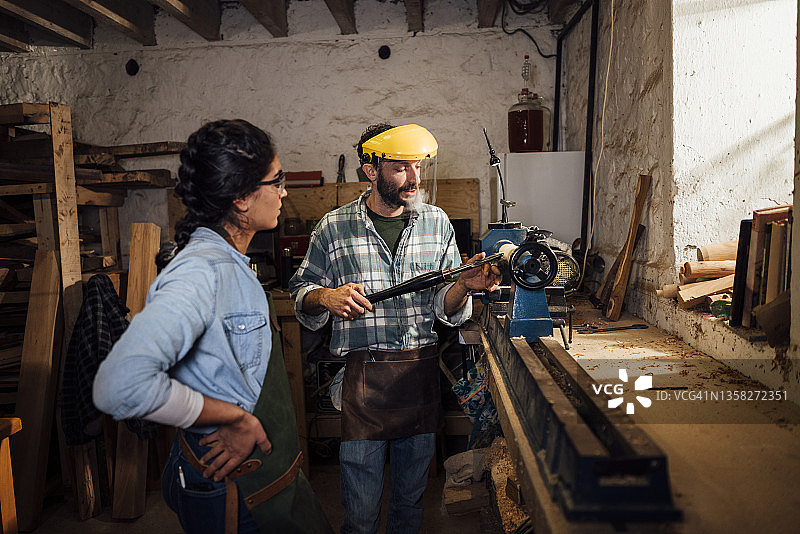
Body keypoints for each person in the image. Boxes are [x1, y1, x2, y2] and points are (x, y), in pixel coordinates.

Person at [93, 119, 332, 534]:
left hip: (266, 483)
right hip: (237, 492)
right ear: (241, 197)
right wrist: (233, 418)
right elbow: (119, 384)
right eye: (277, 181)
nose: (285, 192)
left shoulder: (229, 261)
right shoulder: (202, 271)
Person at [289, 123, 502, 533]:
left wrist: (462, 286)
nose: (415, 178)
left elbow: (443, 307)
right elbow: (301, 291)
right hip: (364, 384)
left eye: (418, 167)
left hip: (418, 379)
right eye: (402, 168)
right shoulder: (334, 228)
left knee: (409, 510)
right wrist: (325, 297)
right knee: (362, 515)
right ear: (371, 170)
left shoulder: (436, 223)